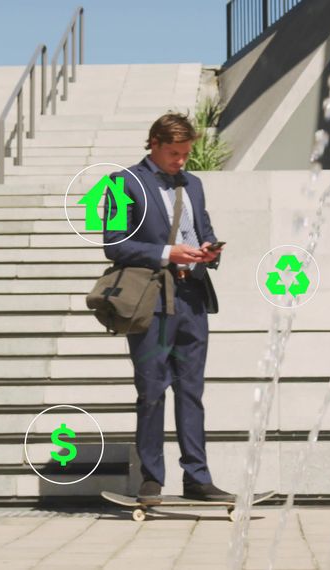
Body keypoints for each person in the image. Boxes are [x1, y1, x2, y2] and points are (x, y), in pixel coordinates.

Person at [102, 112, 233, 504]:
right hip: (152, 303)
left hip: (193, 298)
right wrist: (167, 252)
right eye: (174, 153)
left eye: (186, 153)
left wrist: (209, 251)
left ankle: (197, 477)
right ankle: (151, 480)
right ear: (154, 144)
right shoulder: (123, 182)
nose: (181, 161)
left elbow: (203, 231)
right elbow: (114, 244)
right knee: (152, 391)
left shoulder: (194, 184)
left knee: (191, 391)